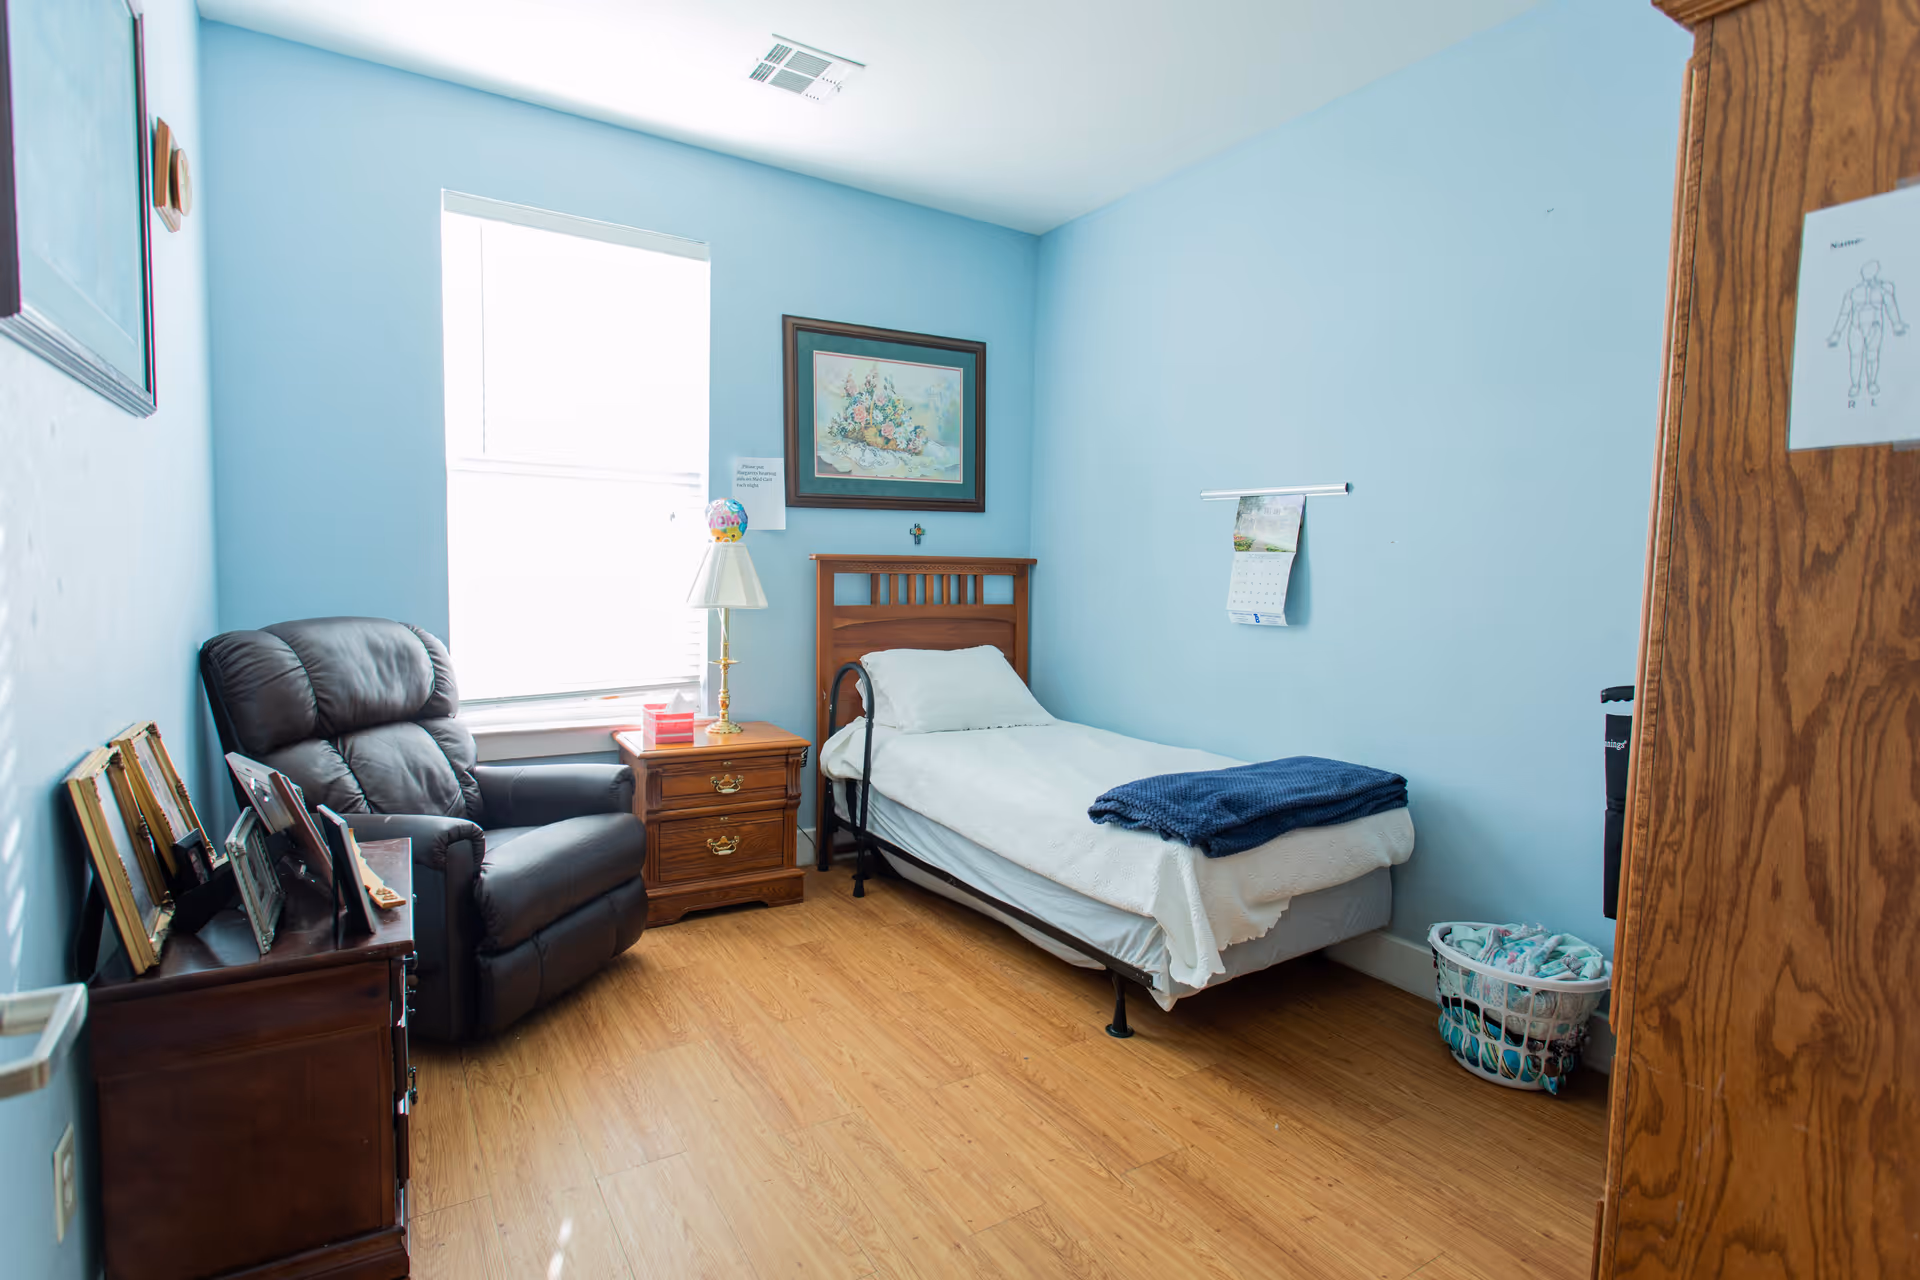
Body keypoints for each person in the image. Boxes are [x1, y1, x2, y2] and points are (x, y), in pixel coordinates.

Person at [1827, 258, 1909, 396]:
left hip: (1874, 328)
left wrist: (1897, 324)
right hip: (1856, 328)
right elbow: (1844, 313)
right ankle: (1855, 385)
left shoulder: (1883, 291)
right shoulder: (1853, 292)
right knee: (1855, 357)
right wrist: (1836, 333)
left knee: (1872, 356)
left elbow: (1891, 308)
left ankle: (1871, 383)